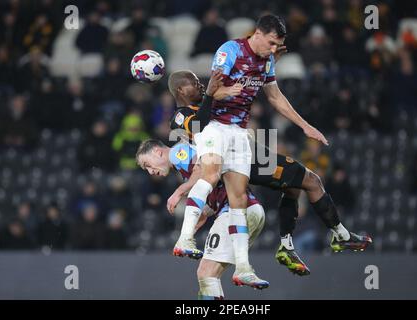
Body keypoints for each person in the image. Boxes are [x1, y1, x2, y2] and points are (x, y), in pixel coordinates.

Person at [172, 14, 330, 288]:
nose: (272, 49)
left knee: (239, 200)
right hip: (216, 127)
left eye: (276, 45)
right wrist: (228, 90)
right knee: (209, 176)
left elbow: (275, 97)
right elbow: (213, 91)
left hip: (240, 132)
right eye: (270, 43)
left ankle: (243, 267)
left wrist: (305, 126)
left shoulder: (267, 60)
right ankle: (184, 238)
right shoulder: (229, 50)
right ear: (257, 33)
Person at [166, 68, 373, 270]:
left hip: (249, 151)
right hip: (242, 160)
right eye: (193, 83)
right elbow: (198, 127)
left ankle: (289, 245)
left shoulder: (209, 102)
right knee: (311, 181)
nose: (200, 85)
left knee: (296, 185)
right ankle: (339, 235)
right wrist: (212, 93)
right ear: (180, 91)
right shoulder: (180, 115)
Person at [136, 139, 269, 294]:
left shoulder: (179, 152)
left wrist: (179, 191)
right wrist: (200, 217)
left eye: (147, 165)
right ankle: (243, 270)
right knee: (209, 273)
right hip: (251, 211)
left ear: (157, 152)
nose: (150, 171)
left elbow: (203, 171)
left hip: (236, 212)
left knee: (206, 274)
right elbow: (212, 188)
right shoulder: (186, 170)